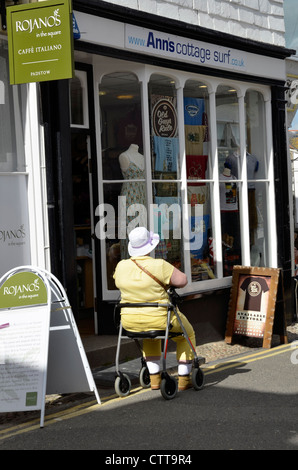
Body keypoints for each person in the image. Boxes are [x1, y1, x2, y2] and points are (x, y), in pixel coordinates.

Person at [113, 226, 197, 391]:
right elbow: (182, 280)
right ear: (150, 246)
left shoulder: (121, 266)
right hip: (159, 318)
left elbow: (117, 281)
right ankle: (184, 378)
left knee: (150, 338)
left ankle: (154, 379)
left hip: (129, 321)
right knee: (186, 334)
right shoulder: (159, 265)